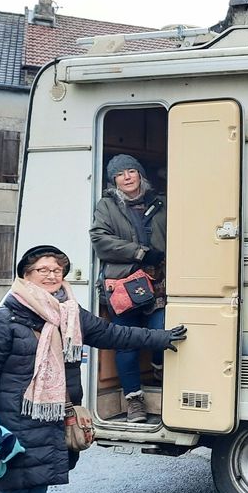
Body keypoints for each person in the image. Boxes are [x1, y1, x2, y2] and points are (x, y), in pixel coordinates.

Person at [0, 245, 185, 493]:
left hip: (53, 411)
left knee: (39, 477)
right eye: (43, 270)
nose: (52, 276)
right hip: (14, 413)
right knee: (15, 483)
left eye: (57, 271)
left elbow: (112, 332)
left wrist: (159, 338)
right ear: (25, 275)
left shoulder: (68, 312)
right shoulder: (5, 318)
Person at [90, 154, 166, 422]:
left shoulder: (160, 203)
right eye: (120, 174)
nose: (127, 177)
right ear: (114, 181)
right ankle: (134, 401)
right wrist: (140, 253)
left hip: (157, 283)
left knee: (162, 333)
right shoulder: (106, 205)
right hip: (123, 285)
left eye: (132, 171)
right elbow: (100, 240)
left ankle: (158, 367)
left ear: (140, 175)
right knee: (126, 346)